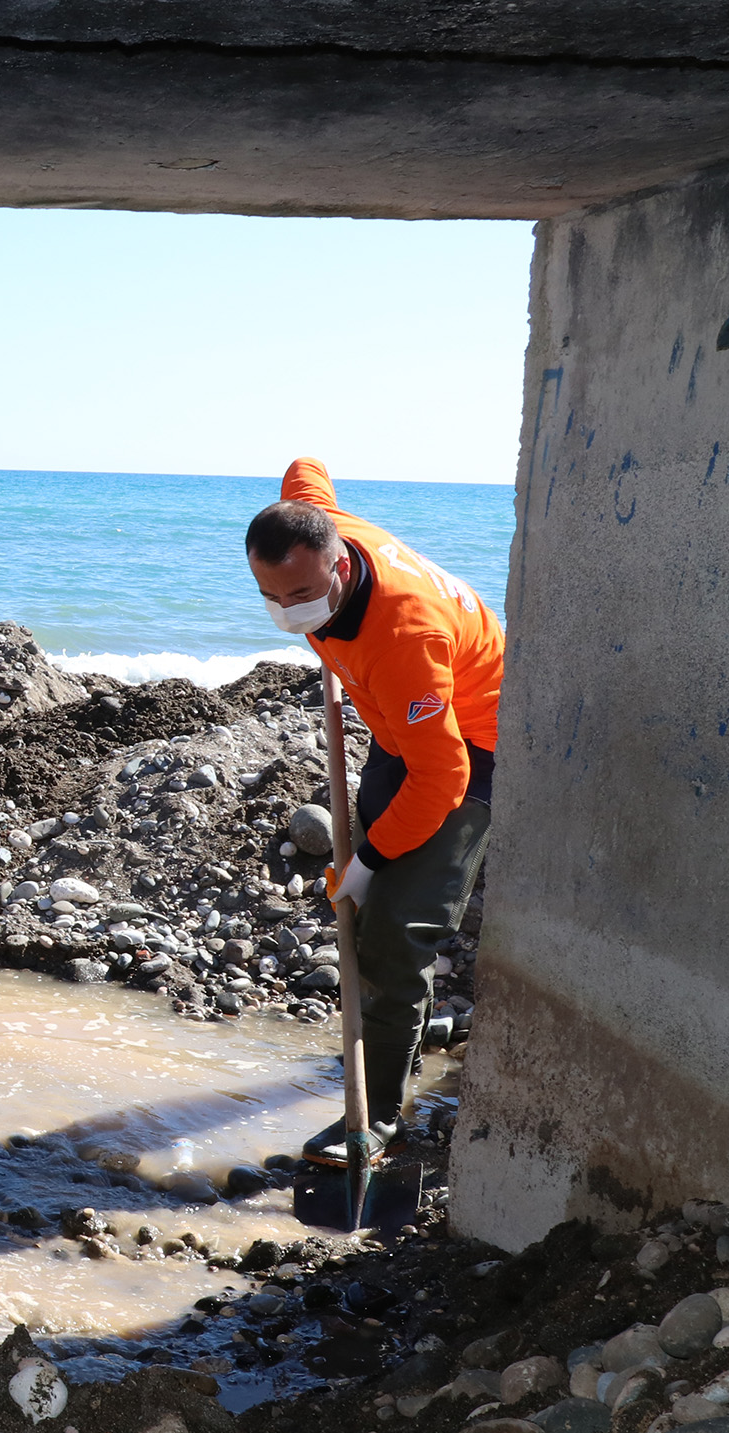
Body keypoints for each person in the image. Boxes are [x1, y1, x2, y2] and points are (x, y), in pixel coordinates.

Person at [244, 457, 504, 1149]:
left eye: (299, 593)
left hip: (472, 745)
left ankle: (380, 1114)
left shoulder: (405, 637)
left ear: (338, 567)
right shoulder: (318, 525)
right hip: (404, 735)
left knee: (395, 928)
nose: (285, 610)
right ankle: (404, 1035)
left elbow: (441, 778)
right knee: (363, 914)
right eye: (270, 594)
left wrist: (369, 856)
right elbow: (307, 469)